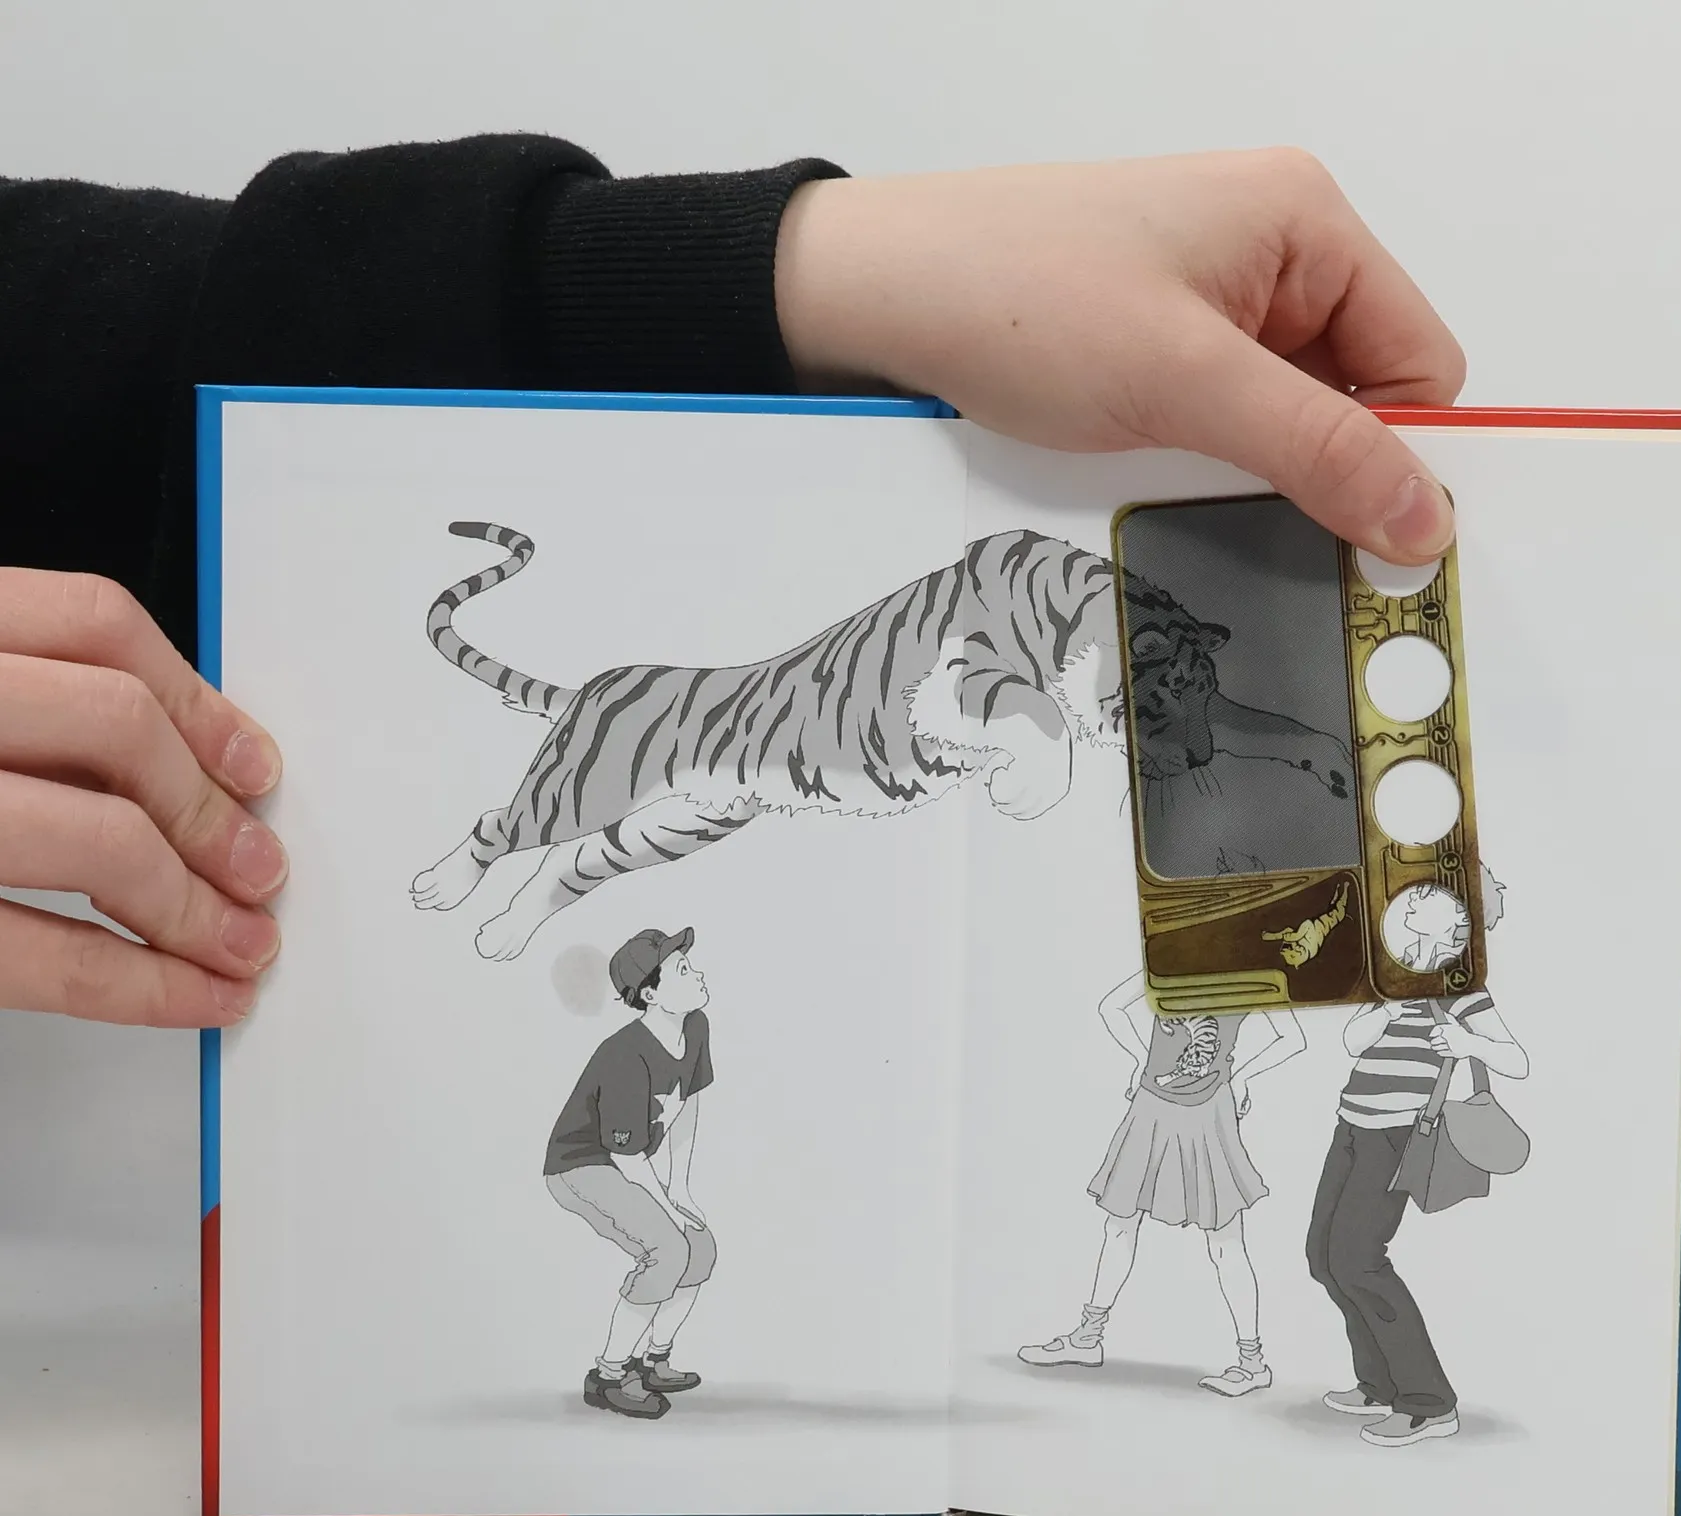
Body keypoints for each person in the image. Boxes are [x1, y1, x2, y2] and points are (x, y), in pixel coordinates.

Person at [0, 141, 1463, 1027]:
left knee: (637, 844)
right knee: (571, 809)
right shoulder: (1002, 626)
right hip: (722, 722)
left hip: (779, 758)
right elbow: (973, 696)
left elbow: (123, 353)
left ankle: (532, 878)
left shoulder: (1118, 641)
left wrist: (798, 270)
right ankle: (494, 854)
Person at [1307, 874, 1529, 1448]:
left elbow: (1517, 1060)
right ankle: (1377, 1385)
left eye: (1428, 898)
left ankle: (1429, 1404)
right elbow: (1353, 1043)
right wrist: (1387, 1003)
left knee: (1358, 1261)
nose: (1410, 904)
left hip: (1396, 1135)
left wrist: (1468, 1043)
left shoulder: (1462, 987)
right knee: (1323, 1258)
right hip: (1351, 1124)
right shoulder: (1390, 977)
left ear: (1460, 921)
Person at [1019, 978, 1306, 1394]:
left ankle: (1252, 1361)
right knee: (1126, 1224)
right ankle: (1088, 1336)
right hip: (1156, 1105)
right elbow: (1111, 1007)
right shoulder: (1177, 959)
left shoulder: (1246, 971)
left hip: (1203, 1111)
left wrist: (1240, 1076)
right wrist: (1144, 1059)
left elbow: (1292, 1039)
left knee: (1220, 1239)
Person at [544, 927, 715, 1420]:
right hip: (581, 1164)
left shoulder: (695, 1026)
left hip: (628, 1162)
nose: (698, 973)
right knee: (668, 1249)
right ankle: (608, 1376)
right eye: (682, 970)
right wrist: (667, 1210)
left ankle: (653, 1360)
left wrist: (680, 1189)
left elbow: (687, 1105)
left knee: (700, 1248)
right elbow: (626, 1156)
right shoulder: (624, 1054)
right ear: (651, 994)